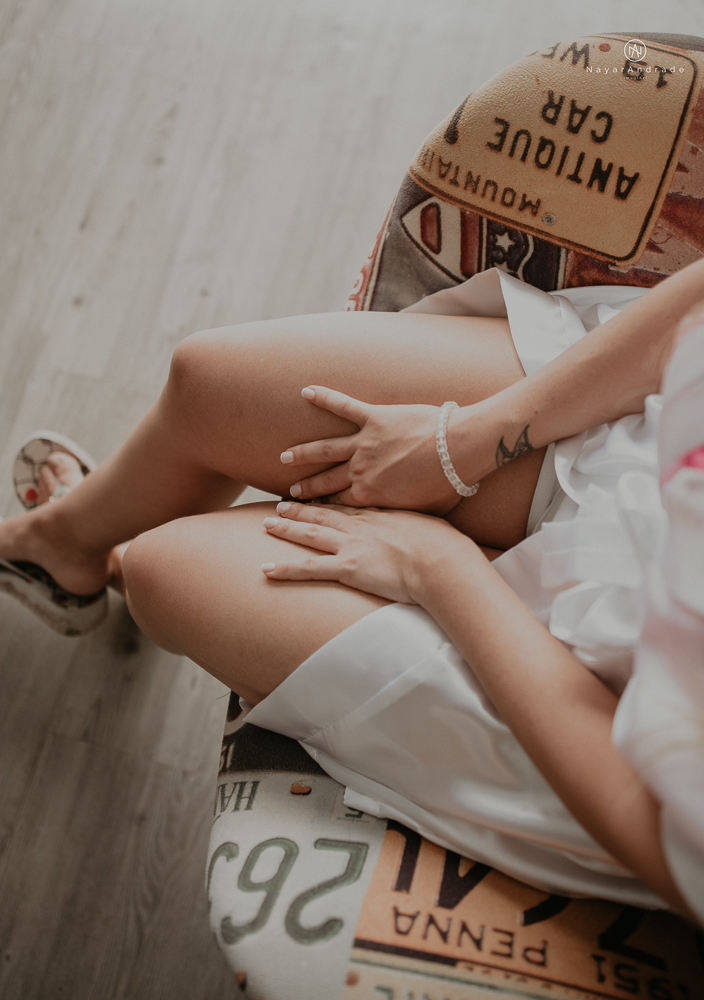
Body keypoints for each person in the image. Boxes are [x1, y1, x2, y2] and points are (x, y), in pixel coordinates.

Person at [1, 256, 703, 926]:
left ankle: (111, 553)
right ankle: (66, 545)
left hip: (580, 695)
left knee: (165, 568)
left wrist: (440, 567)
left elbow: (649, 816)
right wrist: (465, 441)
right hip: (636, 455)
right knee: (210, 383)